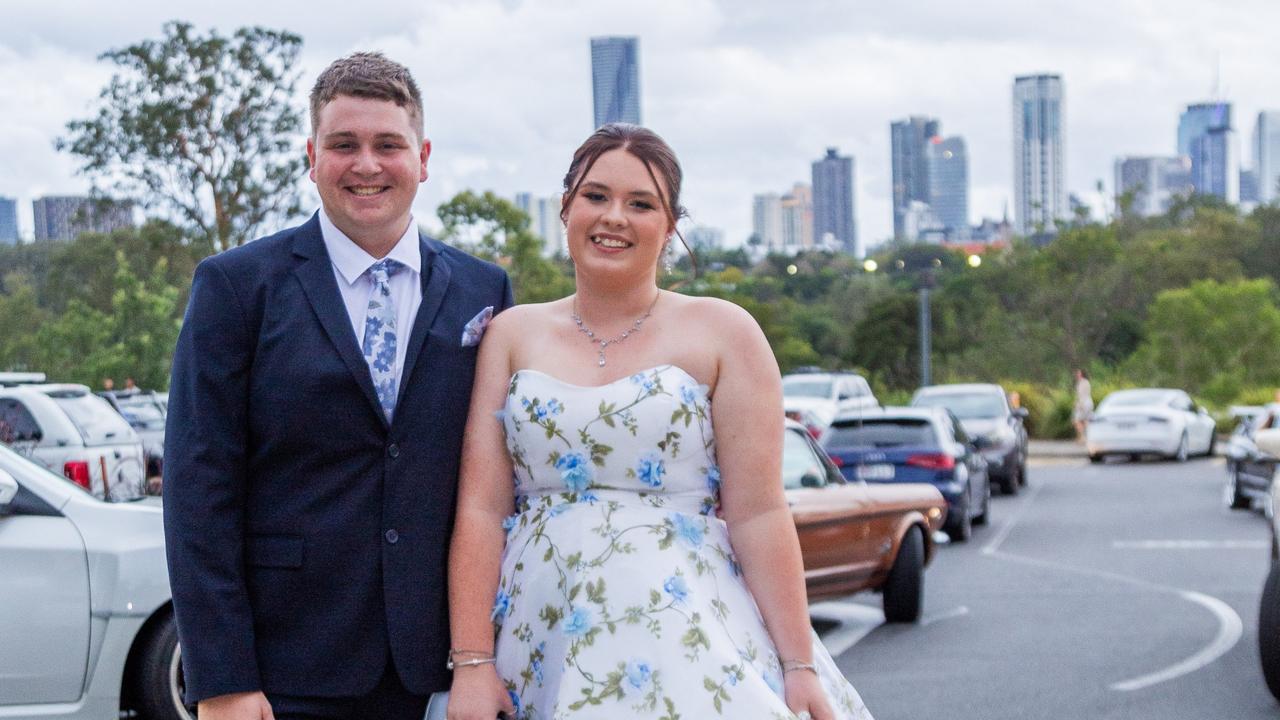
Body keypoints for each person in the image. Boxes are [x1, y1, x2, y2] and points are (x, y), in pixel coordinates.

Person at [446, 124, 872, 720]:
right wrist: (471, 663)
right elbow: (481, 508)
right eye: (595, 196)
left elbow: (759, 511)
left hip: (687, 633)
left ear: (670, 226)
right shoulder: (512, 335)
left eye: (640, 203)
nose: (613, 217)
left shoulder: (725, 332)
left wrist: (798, 665)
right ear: (566, 205)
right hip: (540, 635)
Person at [164, 52, 512, 720]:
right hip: (286, 666)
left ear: (424, 155)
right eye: (343, 145)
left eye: (388, 144)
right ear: (312, 155)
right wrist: (223, 679)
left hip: (439, 665)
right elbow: (197, 491)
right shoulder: (236, 287)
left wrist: (481, 654)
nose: (367, 165)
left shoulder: (483, 289)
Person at [1072, 369, 1093, 441]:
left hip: (1084, 403)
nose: (1077, 375)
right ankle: (1086, 437)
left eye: (1078, 373)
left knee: (1077, 420)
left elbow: (1082, 395)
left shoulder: (1083, 383)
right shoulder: (1085, 382)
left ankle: (1083, 437)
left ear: (1082, 374)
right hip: (1088, 402)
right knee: (1085, 420)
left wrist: (1079, 404)